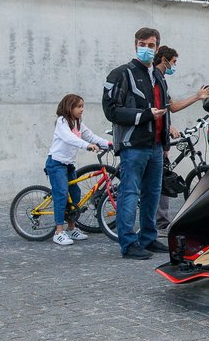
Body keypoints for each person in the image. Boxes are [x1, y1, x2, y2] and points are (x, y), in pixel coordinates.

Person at [103, 27, 172, 260]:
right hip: (134, 145)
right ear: (135, 45)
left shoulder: (159, 76)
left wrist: (165, 141)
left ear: (157, 48)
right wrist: (144, 115)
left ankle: (148, 238)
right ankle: (128, 243)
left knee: (152, 193)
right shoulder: (121, 74)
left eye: (151, 45)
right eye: (142, 44)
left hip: (156, 146)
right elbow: (111, 110)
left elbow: (166, 109)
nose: (146, 49)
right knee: (129, 193)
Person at [153, 47, 209, 232]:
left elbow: (171, 107)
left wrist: (197, 97)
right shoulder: (153, 77)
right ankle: (158, 222)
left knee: (162, 177)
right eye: (174, 62)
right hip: (151, 138)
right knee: (156, 180)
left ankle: (161, 221)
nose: (175, 66)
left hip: (161, 138)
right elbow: (158, 107)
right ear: (165, 59)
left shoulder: (162, 80)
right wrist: (167, 126)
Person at [45, 94, 109, 246]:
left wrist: (107, 143)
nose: (82, 109)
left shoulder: (78, 122)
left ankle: (71, 228)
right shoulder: (62, 121)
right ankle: (59, 232)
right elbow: (68, 138)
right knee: (61, 194)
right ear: (69, 107)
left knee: (75, 194)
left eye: (82, 106)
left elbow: (90, 135)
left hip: (68, 165)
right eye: (78, 106)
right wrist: (86, 145)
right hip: (56, 163)